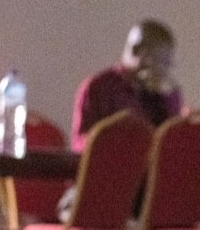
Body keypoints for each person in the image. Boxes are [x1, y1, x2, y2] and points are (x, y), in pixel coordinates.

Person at [71, 20, 183, 151]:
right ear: (135, 51)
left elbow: (173, 142)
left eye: (167, 64)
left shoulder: (163, 93)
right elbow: (80, 144)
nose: (163, 71)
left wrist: (168, 99)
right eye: (158, 61)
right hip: (113, 165)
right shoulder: (98, 87)